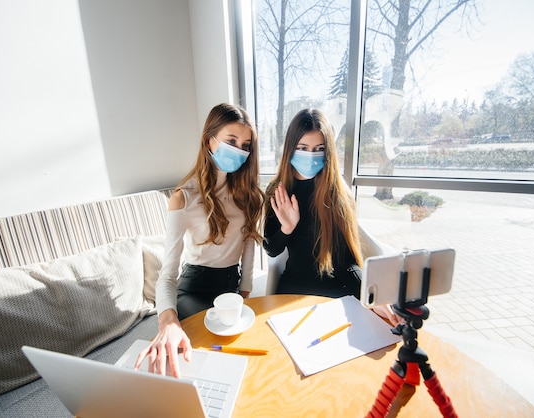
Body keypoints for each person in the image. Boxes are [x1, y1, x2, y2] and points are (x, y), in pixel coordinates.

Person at [134, 103, 264, 376]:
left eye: (245, 145)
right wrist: (167, 320)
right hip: (194, 287)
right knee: (211, 349)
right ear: (209, 141)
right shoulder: (184, 197)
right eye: (231, 141)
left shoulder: (248, 195)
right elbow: (167, 275)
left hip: (231, 286)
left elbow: (248, 249)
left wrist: (245, 293)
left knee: (246, 345)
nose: (239, 151)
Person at [263, 108, 401, 325]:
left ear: (328, 153)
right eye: (303, 148)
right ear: (290, 149)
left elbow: (346, 262)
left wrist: (370, 297)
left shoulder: (336, 193)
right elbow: (271, 249)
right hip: (292, 291)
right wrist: (286, 229)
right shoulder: (277, 191)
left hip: (335, 293)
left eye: (319, 149)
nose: (311, 156)